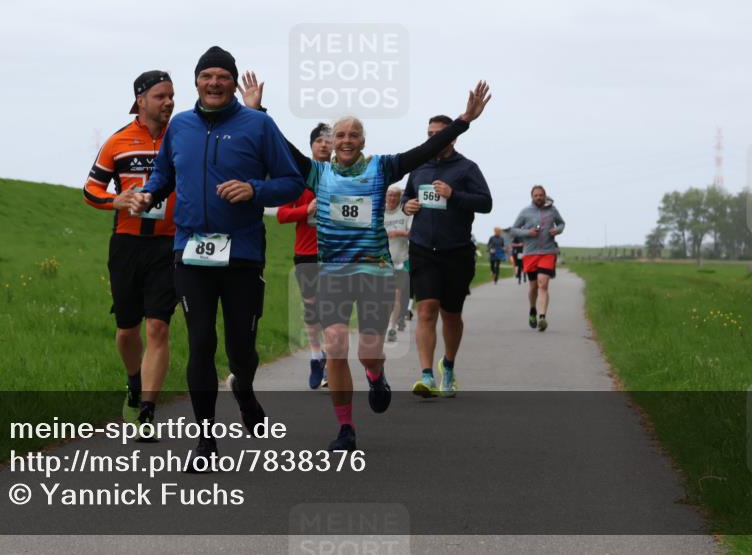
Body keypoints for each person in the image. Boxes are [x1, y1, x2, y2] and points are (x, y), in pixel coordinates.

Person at [269, 76, 492, 450]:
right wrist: (259, 111)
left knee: (368, 350)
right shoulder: (317, 173)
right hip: (333, 272)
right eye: (339, 135)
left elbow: (425, 150)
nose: (345, 140)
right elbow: (283, 147)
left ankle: (375, 374)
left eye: (353, 135)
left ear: (363, 141)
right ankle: (345, 428)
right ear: (332, 141)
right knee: (336, 343)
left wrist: (463, 121)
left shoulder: (382, 168)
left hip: (373, 270)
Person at [129, 47, 304, 468]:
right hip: (190, 252)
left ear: (232, 81)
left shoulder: (258, 125)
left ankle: (243, 389)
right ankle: (205, 441)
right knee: (201, 342)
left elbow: (292, 182)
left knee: (241, 349)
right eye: (207, 76)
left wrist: (254, 190)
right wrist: (150, 193)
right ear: (196, 82)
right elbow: (164, 175)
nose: (214, 83)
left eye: (222, 76)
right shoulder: (180, 126)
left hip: (241, 253)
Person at [83, 70, 178, 438]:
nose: (168, 102)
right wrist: (115, 200)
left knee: (158, 325)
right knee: (127, 330)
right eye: (160, 96)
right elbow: (91, 189)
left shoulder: (180, 137)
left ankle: (148, 411)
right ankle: (134, 379)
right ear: (141, 100)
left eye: (172, 95)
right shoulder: (118, 142)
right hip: (126, 244)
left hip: (168, 244)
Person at [403, 114, 493, 399]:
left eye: (437, 133)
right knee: (426, 309)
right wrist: (407, 206)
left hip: (456, 251)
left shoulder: (467, 168)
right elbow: (406, 197)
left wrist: (454, 194)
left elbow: (486, 203)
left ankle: (449, 366)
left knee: (451, 315)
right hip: (421, 249)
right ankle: (427, 376)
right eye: (428, 133)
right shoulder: (418, 167)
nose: (432, 138)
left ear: (452, 137)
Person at [277, 123, 332, 389]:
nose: (324, 145)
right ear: (311, 146)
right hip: (306, 253)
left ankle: (331, 365)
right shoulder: (298, 178)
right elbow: (281, 214)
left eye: (328, 141)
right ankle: (315, 357)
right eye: (319, 141)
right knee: (312, 309)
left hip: (335, 253)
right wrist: (305, 209)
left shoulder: (340, 176)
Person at [508, 185, 565, 332]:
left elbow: (561, 223)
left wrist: (557, 230)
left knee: (543, 284)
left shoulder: (552, 210)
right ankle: (533, 309)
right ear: (532, 197)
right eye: (536, 195)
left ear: (545, 195)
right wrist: (528, 232)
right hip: (530, 253)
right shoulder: (525, 212)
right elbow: (513, 229)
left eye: (541, 195)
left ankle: (542, 317)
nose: (539, 197)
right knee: (533, 287)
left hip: (547, 252)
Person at [383, 186, 411, 342]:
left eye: (395, 196)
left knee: (396, 295)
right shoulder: (380, 213)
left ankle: (391, 327)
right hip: (381, 261)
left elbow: (413, 233)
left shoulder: (405, 213)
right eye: (390, 195)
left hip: (400, 260)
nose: (392, 198)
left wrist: (400, 233)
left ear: (400, 197)